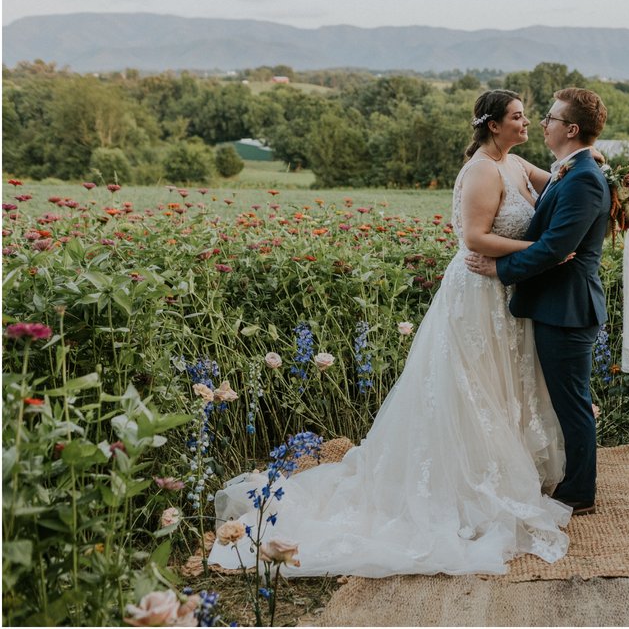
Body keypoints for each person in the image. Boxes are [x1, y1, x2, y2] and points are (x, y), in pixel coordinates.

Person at [209, 90, 573, 577]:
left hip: (504, 290)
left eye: (529, 116)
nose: (526, 122)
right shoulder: (484, 170)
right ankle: (465, 483)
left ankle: (504, 467)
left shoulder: (515, 163)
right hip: (477, 289)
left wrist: (596, 175)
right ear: (492, 125)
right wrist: (544, 248)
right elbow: (474, 237)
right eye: (517, 116)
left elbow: (561, 182)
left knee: (500, 380)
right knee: (469, 388)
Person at [465, 88, 611, 516]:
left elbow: (553, 248)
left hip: (567, 307)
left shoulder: (583, 177)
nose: (541, 123)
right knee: (561, 399)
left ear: (570, 129)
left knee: (572, 403)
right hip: (553, 304)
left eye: (549, 117)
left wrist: (500, 270)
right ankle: (566, 477)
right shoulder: (570, 170)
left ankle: (580, 492)